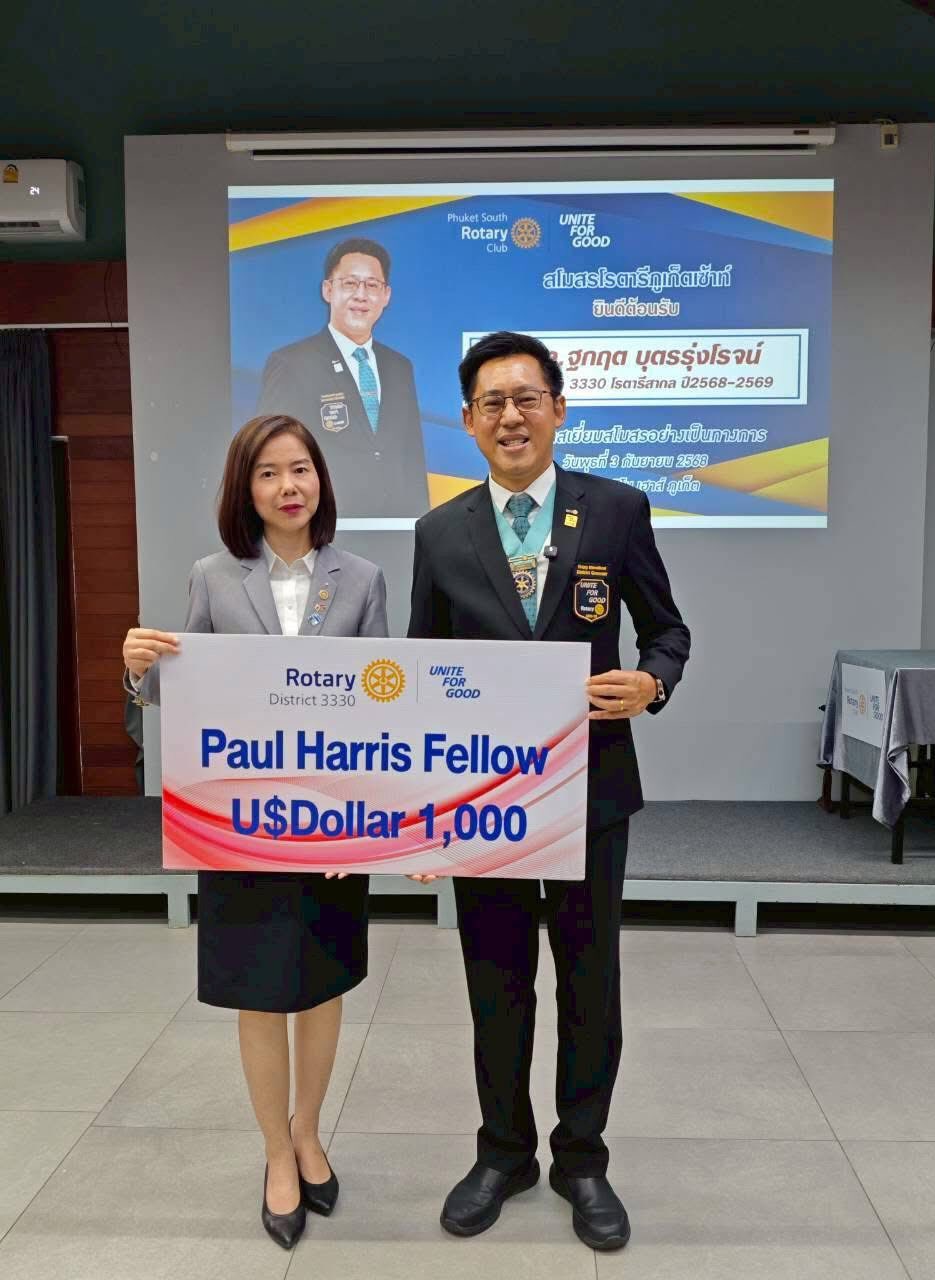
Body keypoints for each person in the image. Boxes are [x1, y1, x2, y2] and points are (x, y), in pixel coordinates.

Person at [407, 332, 690, 1253]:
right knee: (496, 981)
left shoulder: (615, 510)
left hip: (590, 790)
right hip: (483, 803)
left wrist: (651, 682)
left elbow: (668, 632)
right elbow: (422, 675)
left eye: (527, 398)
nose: (511, 417)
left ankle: (582, 1158)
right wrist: (424, 816)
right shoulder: (439, 532)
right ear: (467, 421)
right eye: (492, 403)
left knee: (588, 980)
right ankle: (504, 1152)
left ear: (559, 409)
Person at [122, 414, 387, 1251]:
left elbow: (387, 709)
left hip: (331, 826)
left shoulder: (364, 578)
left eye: (300, 468)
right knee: (260, 990)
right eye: (267, 473)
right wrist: (138, 671)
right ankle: (276, 1151)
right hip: (240, 825)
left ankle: (309, 1131)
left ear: (320, 479)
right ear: (246, 490)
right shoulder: (213, 576)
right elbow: (178, 691)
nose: (287, 486)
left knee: (322, 984)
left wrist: (363, 827)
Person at [256, 237, 427, 518]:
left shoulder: (400, 367)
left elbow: (412, 459)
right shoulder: (291, 363)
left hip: (395, 528)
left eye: (372, 285)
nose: (361, 295)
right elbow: (270, 455)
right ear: (327, 290)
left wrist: (419, 525)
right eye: (350, 283)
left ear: (386, 295)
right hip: (325, 527)